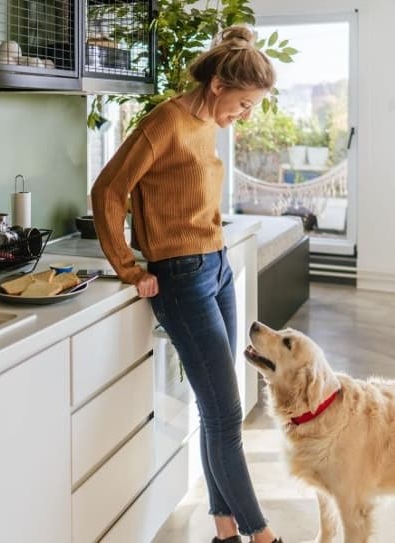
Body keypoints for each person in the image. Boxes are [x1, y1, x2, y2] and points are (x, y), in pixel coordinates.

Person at [90, 25, 281, 543]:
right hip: (180, 278)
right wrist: (128, 267)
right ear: (218, 85)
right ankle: (262, 535)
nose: (245, 115)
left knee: (216, 412)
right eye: (244, 104)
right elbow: (108, 190)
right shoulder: (165, 122)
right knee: (227, 414)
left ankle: (225, 532)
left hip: (216, 267)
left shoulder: (207, 122)